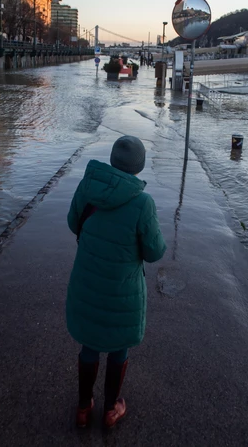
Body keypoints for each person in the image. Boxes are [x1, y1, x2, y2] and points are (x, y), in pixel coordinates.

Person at [66, 136, 167, 430]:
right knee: (118, 345)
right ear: (140, 166)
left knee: (90, 343)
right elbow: (154, 252)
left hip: (87, 280)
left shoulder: (88, 186)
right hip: (122, 288)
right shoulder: (142, 202)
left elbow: (74, 223)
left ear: (112, 160)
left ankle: (84, 408)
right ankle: (111, 410)